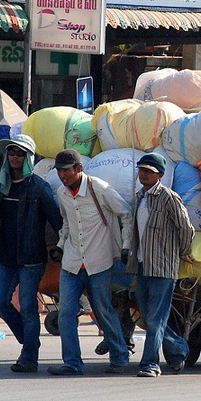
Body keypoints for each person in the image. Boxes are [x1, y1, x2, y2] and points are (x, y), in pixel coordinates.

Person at [47, 149, 133, 376]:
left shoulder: (99, 188)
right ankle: (72, 363)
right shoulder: (62, 194)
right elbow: (66, 223)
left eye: (66, 170)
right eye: (59, 171)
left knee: (103, 310)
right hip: (72, 262)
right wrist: (61, 245)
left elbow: (126, 213)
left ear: (79, 168)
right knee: (66, 312)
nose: (63, 175)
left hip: (99, 261)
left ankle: (120, 357)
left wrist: (125, 246)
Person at [0, 134, 63, 373]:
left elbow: (57, 221)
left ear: (29, 157)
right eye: (11, 153)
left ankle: (29, 356)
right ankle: (30, 341)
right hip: (7, 257)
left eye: (20, 153)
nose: (14, 157)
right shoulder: (2, 186)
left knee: (29, 307)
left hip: (32, 258)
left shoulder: (39, 187)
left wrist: (61, 248)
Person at [127, 152, 195, 377]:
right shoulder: (140, 197)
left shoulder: (168, 197)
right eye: (141, 170)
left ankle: (150, 364)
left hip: (163, 268)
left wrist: (183, 252)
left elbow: (186, 228)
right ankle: (179, 348)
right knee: (148, 318)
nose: (143, 174)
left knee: (155, 319)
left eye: (149, 171)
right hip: (143, 266)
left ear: (160, 175)